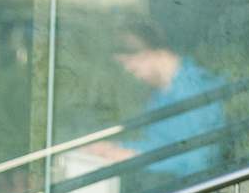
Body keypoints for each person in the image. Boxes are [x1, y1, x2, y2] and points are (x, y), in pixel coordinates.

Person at [93, 15, 224, 182]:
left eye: (131, 62)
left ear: (150, 52)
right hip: (162, 184)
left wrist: (136, 158)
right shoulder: (157, 91)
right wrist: (115, 148)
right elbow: (160, 144)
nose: (128, 69)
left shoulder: (192, 88)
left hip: (190, 191)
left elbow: (199, 161)